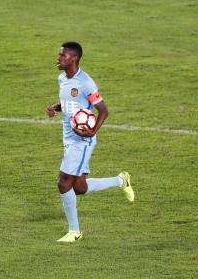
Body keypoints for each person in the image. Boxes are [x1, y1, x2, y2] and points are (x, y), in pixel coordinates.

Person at [46, 41, 134, 243]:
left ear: (74, 58)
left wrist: (92, 131)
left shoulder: (86, 83)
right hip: (68, 138)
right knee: (79, 188)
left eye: (62, 56)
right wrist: (55, 108)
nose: (58, 59)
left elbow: (103, 111)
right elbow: (69, 102)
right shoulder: (62, 78)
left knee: (63, 183)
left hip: (81, 141)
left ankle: (74, 231)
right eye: (59, 55)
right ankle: (121, 180)